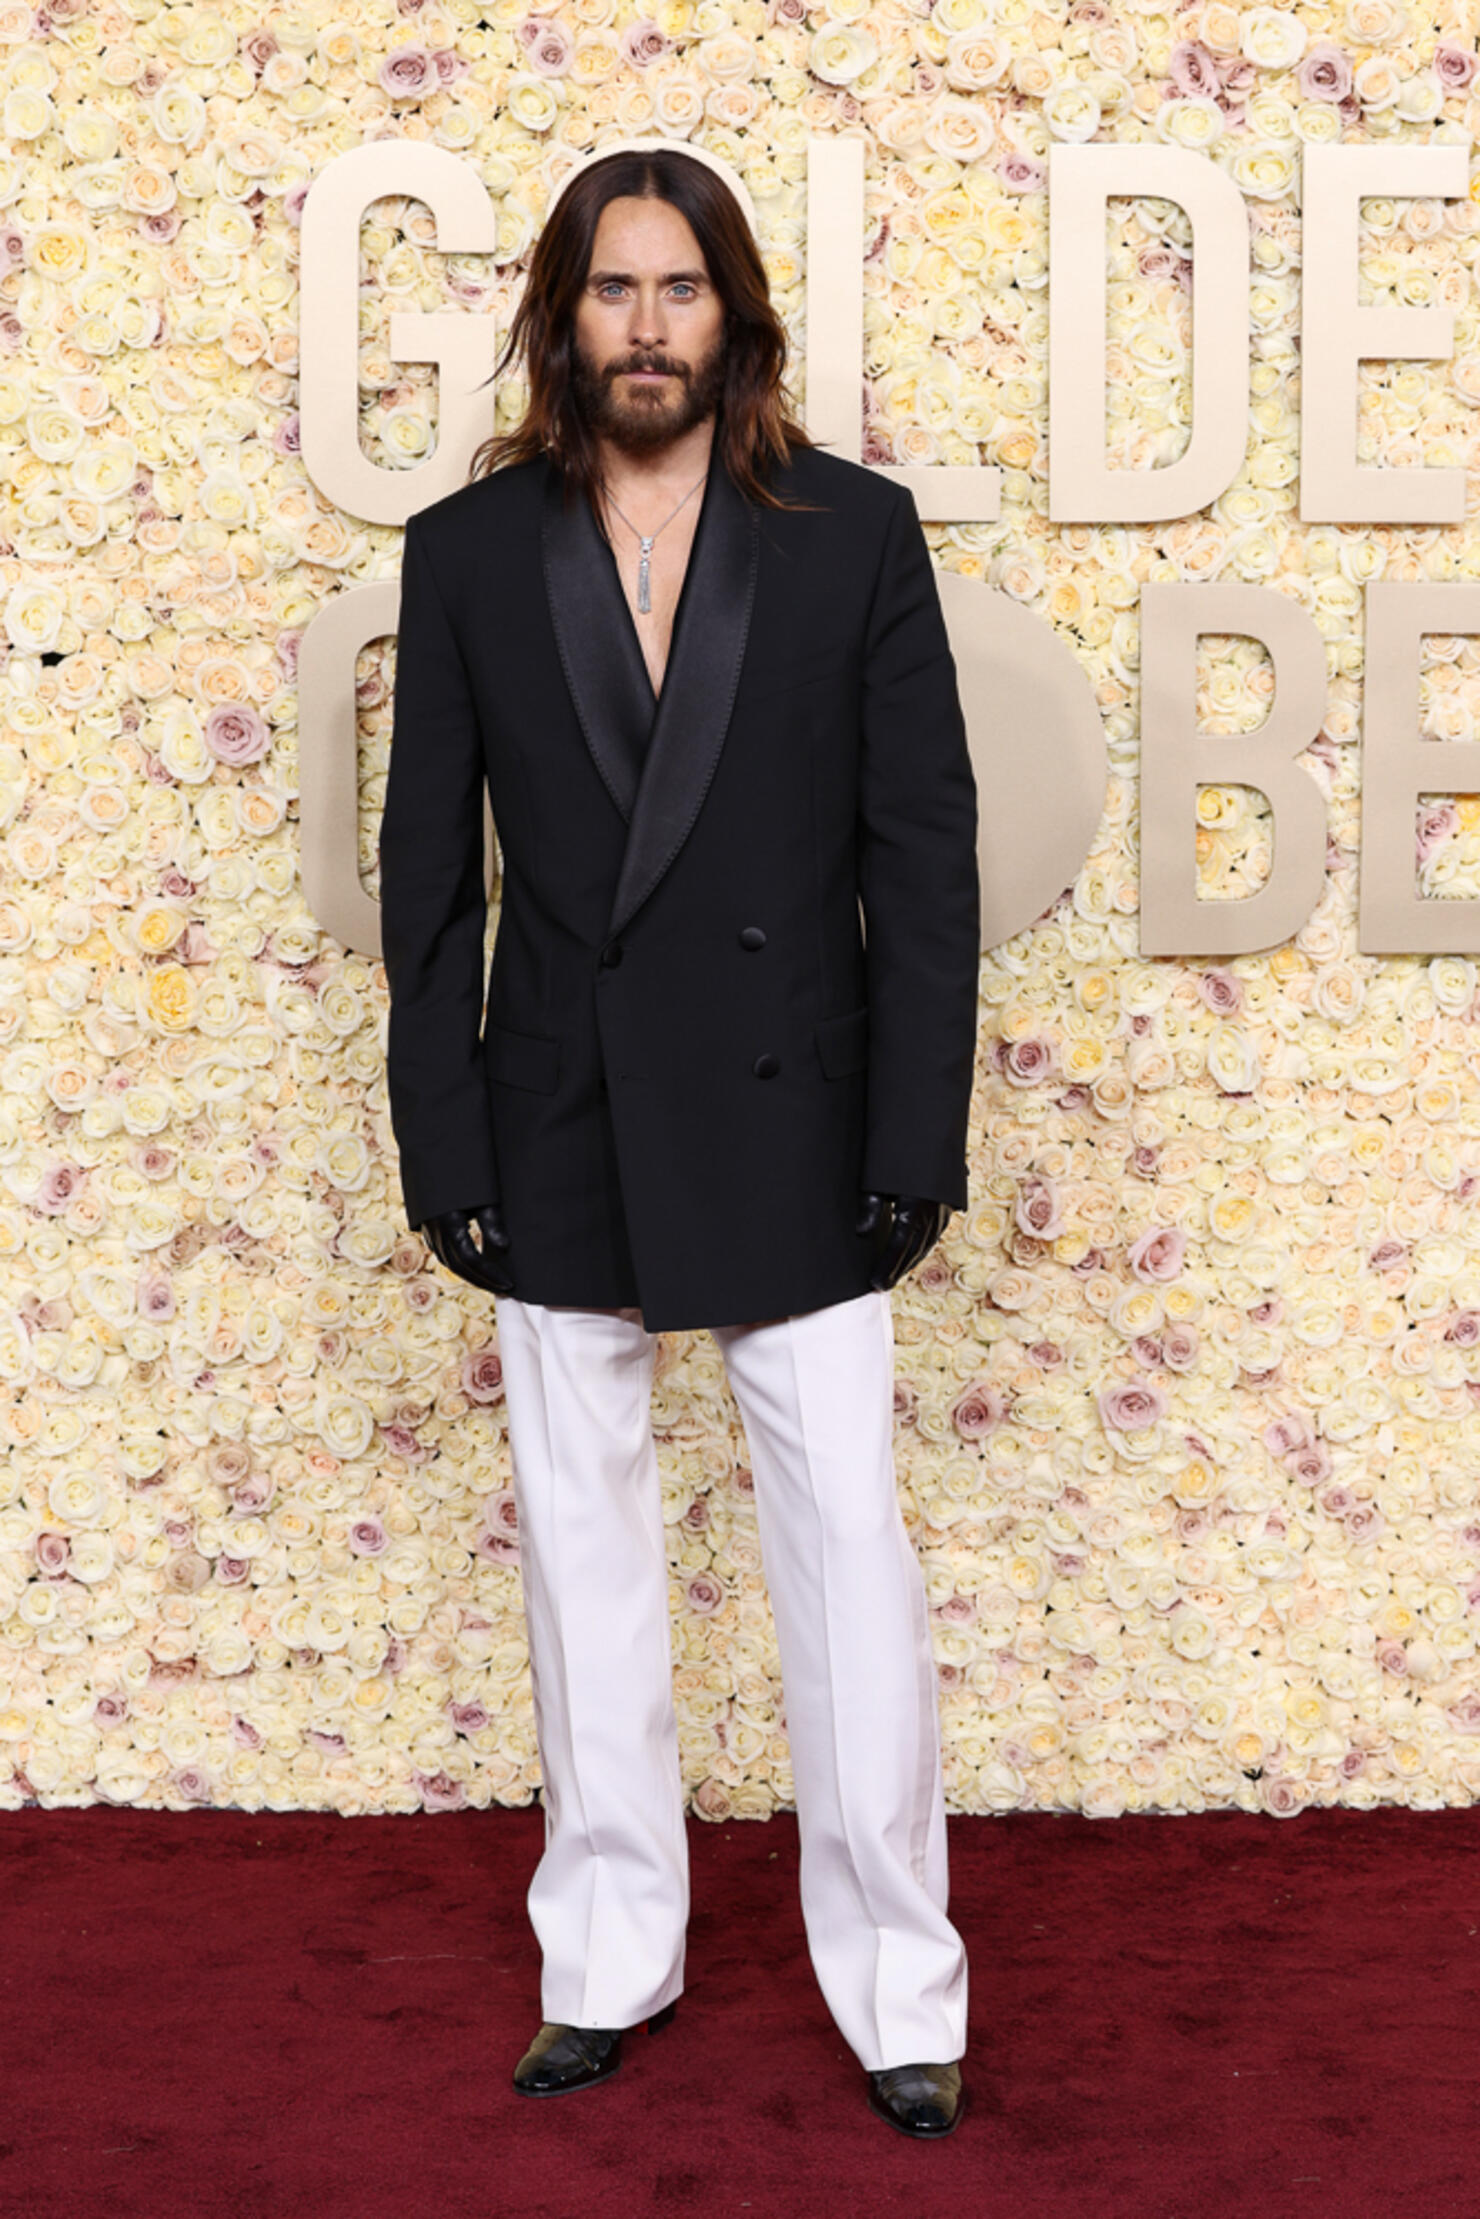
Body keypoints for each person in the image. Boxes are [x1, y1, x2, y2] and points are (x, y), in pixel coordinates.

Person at [377, 144, 980, 2138]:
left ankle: (899, 1986)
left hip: (795, 1109)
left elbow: (921, 858)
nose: (647, 327)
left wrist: (913, 1127)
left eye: (682, 290)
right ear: (561, 317)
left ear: (736, 313)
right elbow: (425, 881)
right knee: (582, 1557)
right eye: (612, 291)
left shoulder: (850, 538)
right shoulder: (466, 552)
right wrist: (437, 1123)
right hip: (553, 1102)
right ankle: (604, 1957)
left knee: (844, 1559)